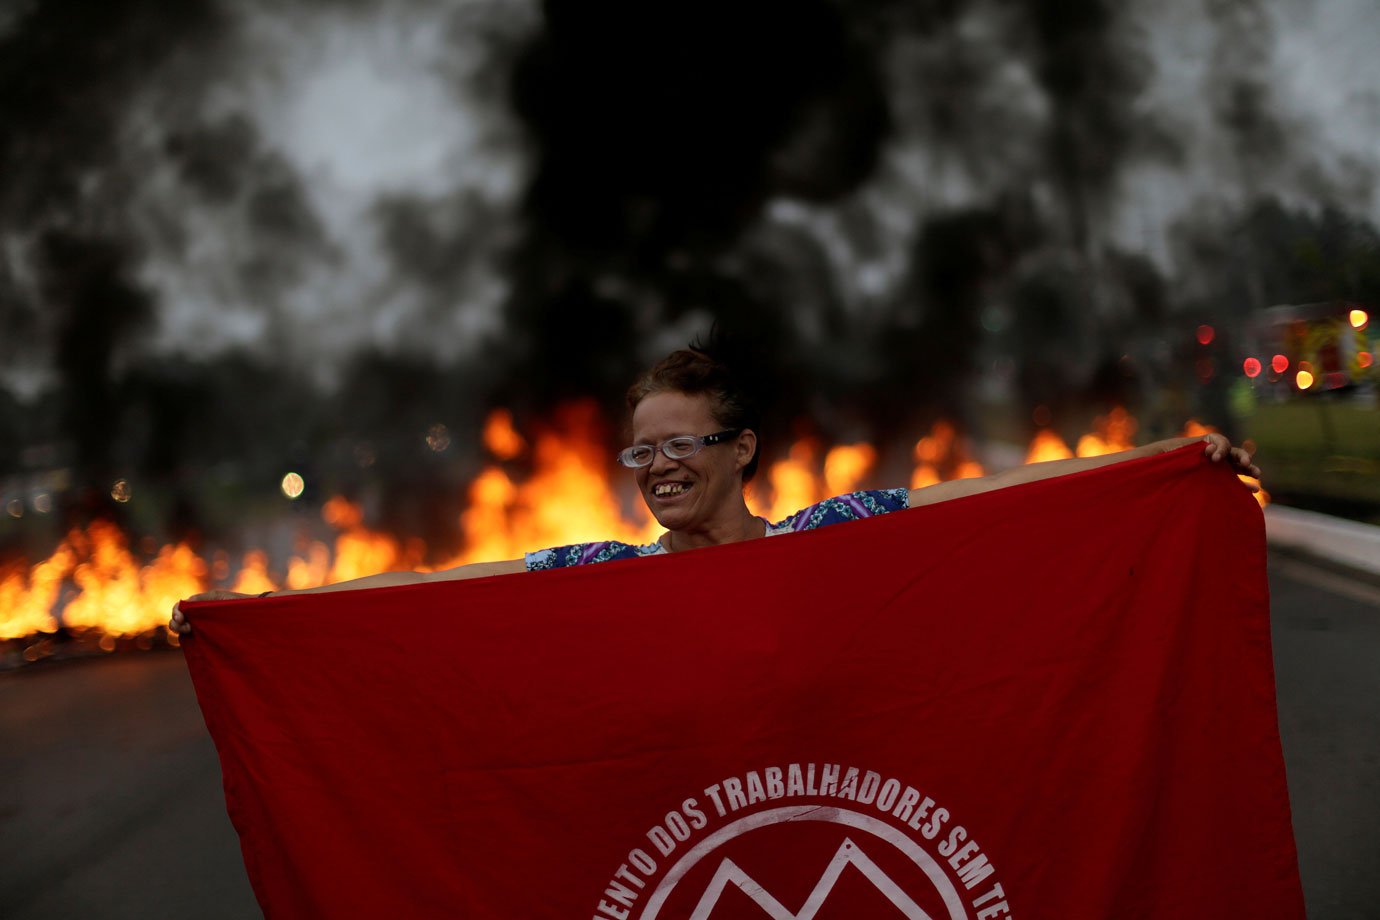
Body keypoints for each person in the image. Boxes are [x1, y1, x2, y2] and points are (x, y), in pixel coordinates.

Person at [170, 345, 1260, 634]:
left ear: (740, 449)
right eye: (640, 454)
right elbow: (440, 583)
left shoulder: (829, 536)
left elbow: (988, 501)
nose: (659, 470)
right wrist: (267, 614)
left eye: (681, 445)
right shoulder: (599, 576)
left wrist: (1160, 465)